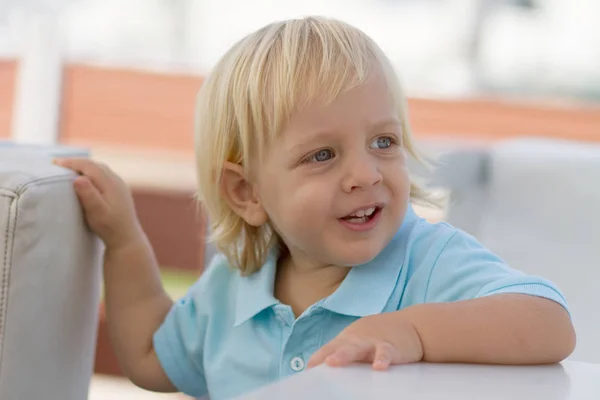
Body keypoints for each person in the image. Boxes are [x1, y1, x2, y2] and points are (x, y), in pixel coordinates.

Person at [54, 16, 575, 400]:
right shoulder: (234, 288)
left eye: (383, 142)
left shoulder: (428, 263)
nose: (365, 174)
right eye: (322, 155)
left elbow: (550, 323)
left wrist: (413, 332)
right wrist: (123, 241)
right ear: (246, 193)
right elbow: (149, 358)